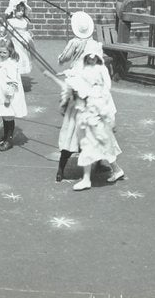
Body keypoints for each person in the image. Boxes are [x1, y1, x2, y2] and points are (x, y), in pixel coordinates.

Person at [69, 45, 125, 191]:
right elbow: (76, 79)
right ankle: (108, 172)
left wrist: (111, 122)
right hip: (88, 122)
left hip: (95, 124)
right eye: (89, 58)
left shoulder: (99, 93)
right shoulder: (84, 79)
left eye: (94, 58)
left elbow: (105, 107)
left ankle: (91, 178)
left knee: (99, 147)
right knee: (94, 147)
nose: (92, 60)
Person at [56, 31, 95, 182]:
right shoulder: (81, 73)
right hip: (82, 112)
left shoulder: (76, 73)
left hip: (78, 112)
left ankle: (61, 170)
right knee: (88, 139)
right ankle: (61, 169)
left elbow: (65, 95)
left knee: (72, 139)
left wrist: (64, 106)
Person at [0, 36, 27, 151]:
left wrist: (8, 97)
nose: (1, 54)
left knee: (9, 117)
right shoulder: (2, 61)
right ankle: (5, 136)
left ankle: (9, 140)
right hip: (0, 93)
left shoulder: (11, 64)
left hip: (7, 95)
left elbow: (12, 82)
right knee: (4, 116)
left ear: (10, 52)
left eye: (4, 52)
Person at [2, 0, 34, 78]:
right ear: (13, 10)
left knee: (23, 58)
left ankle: (17, 76)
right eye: (18, 10)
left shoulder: (25, 21)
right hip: (15, 43)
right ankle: (11, 75)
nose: (21, 13)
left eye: (22, 11)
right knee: (14, 57)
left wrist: (29, 36)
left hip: (24, 42)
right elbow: (8, 33)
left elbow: (26, 30)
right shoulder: (11, 21)